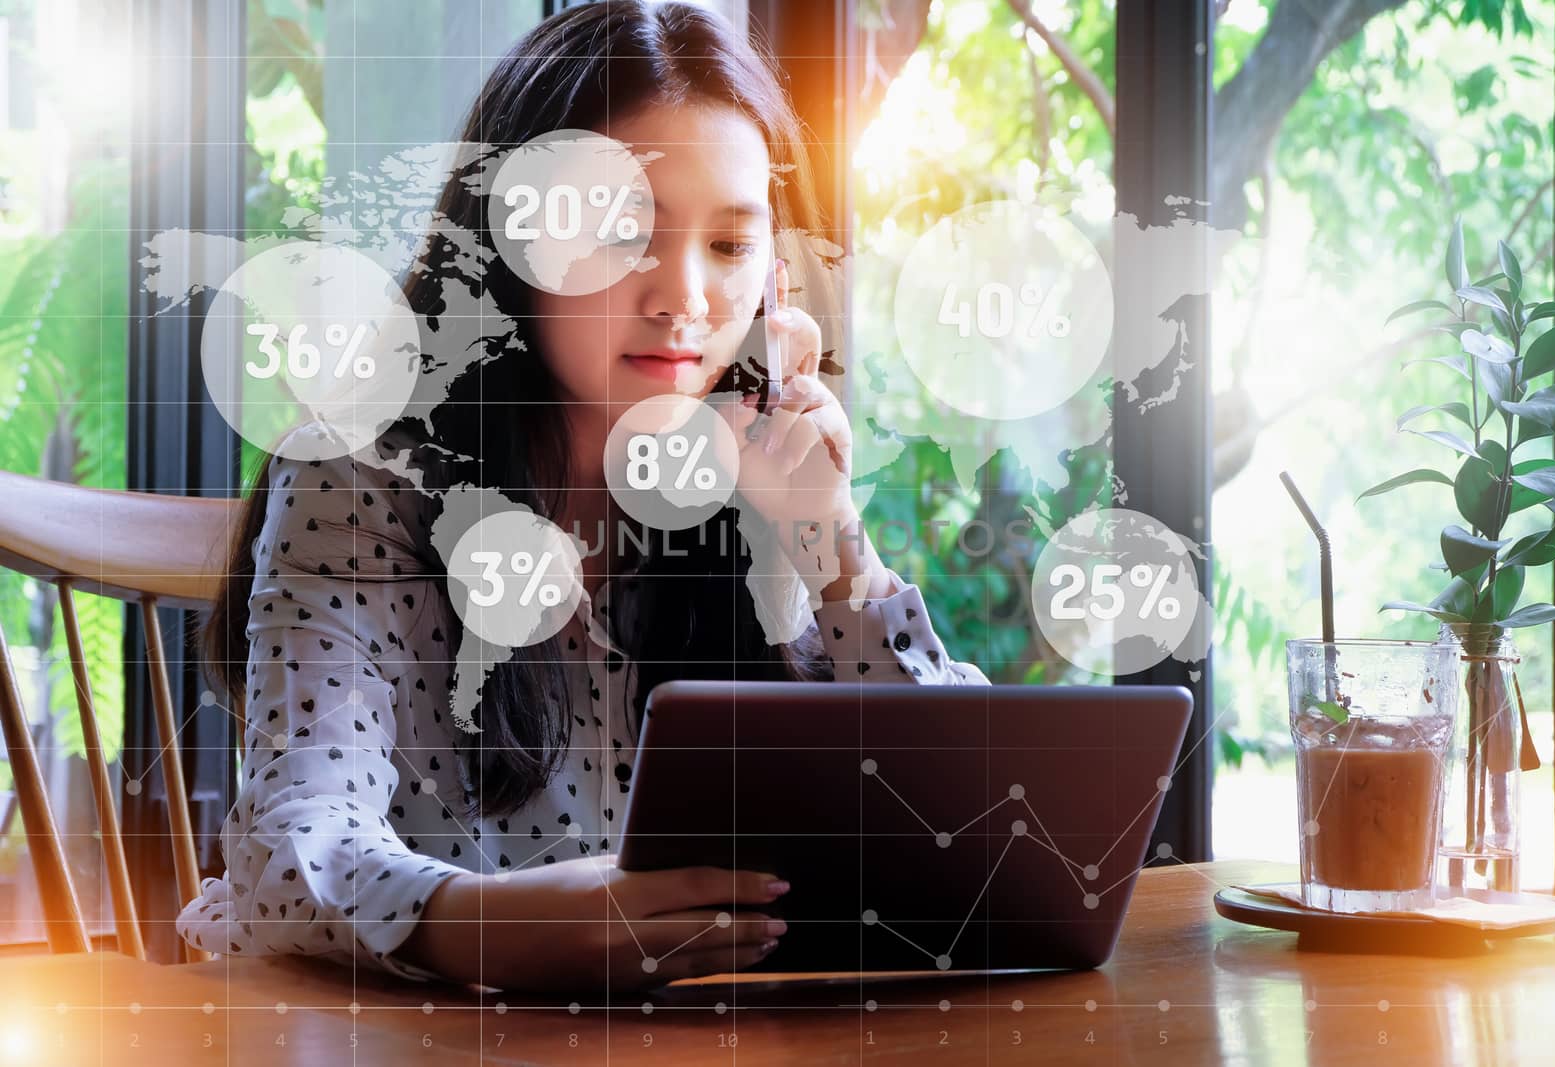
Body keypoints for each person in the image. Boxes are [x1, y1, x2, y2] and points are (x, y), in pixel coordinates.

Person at [178, 0, 986, 992]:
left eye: (728, 247)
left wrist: (836, 553)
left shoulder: (755, 480)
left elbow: (969, 824)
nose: (683, 295)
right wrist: (500, 924)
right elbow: (288, 855)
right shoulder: (361, 474)